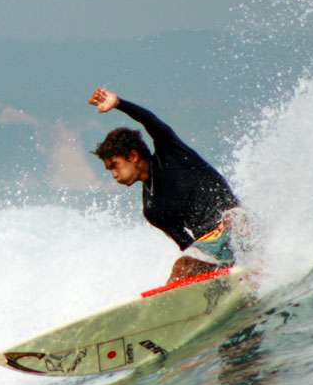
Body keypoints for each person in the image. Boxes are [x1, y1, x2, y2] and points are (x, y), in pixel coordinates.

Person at [89, 86, 240, 283]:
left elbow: (151, 122)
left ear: (133, 156)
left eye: (115, 166)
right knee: (182, 271)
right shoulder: (152, 210)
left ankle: (259, 264)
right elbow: (187, 245)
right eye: (109, 170)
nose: (114, 175)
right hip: (211, 245)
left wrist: (119, 104)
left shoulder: (171, 154)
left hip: (232, 221)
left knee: (236, 222)